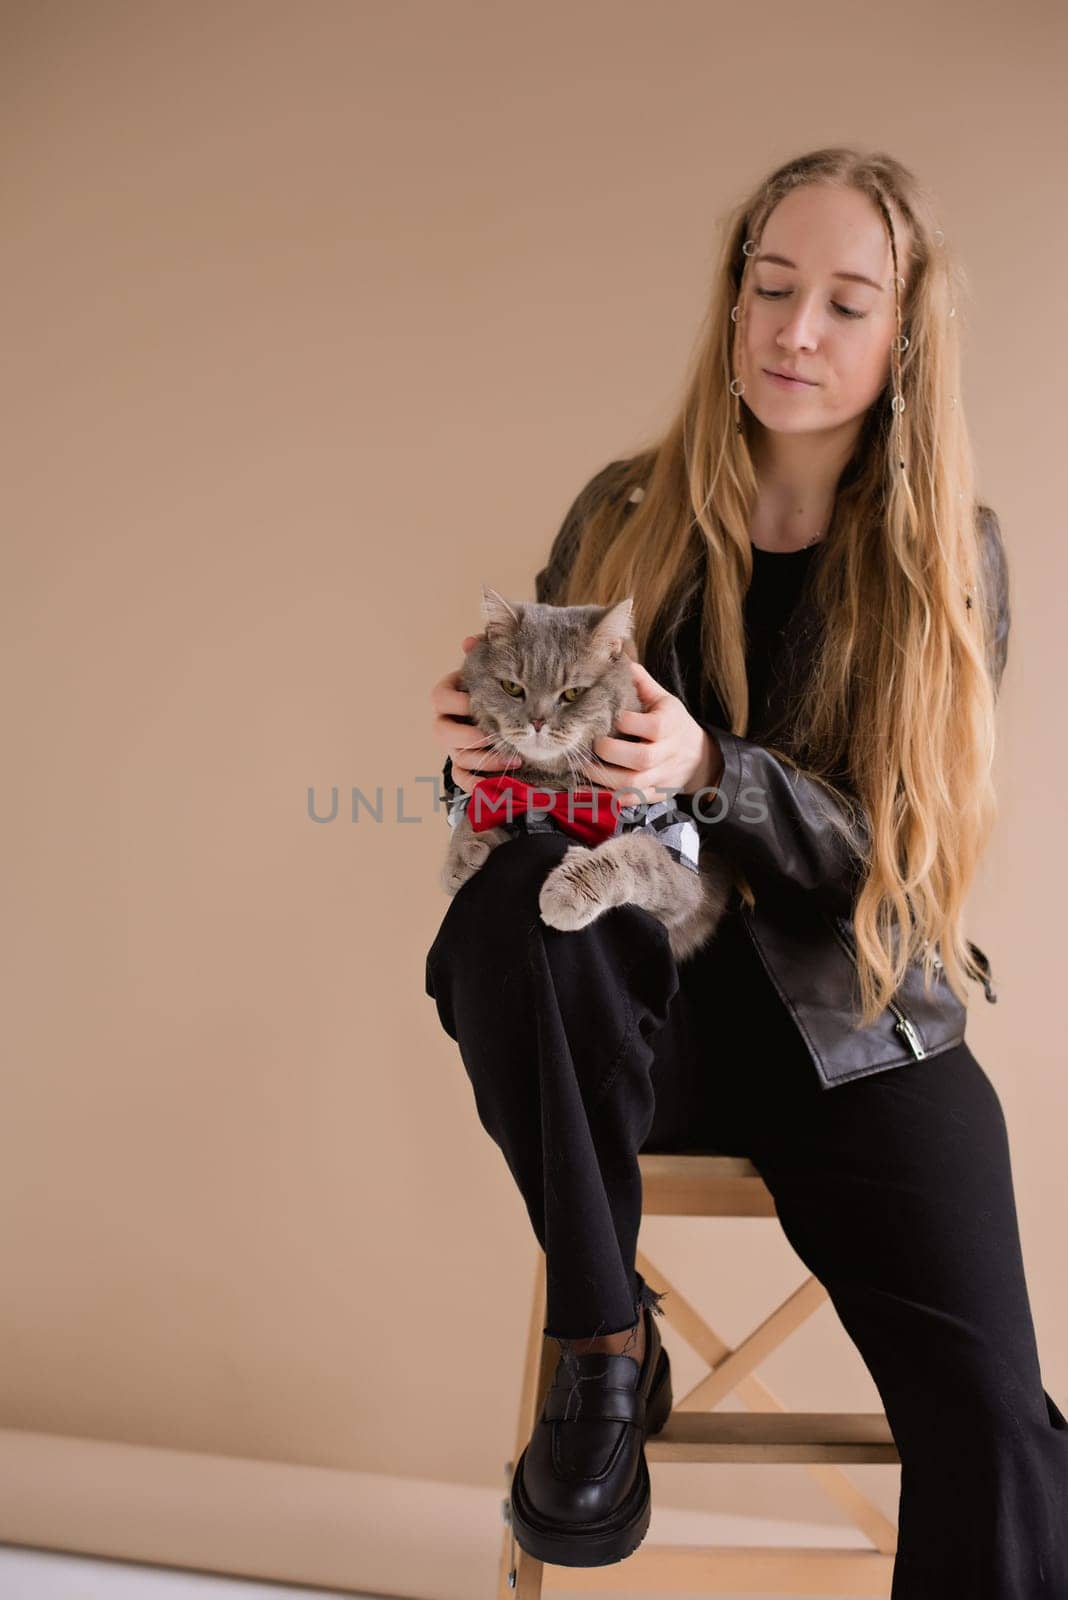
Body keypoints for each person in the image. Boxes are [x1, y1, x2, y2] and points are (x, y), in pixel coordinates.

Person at [424, 147, 1068, 1594]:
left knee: (996, 1421)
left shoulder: (952, 555)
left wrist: (712, 771)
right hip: (640, 1022)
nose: (795, 332)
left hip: (859, 1033)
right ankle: (604, 1346)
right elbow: (546, 797)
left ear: (904, 339)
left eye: (845, 304)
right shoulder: (621, 508)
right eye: (772, 290)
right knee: (513, 896)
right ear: (730, 311)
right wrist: (486, 766)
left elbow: (899, 858)